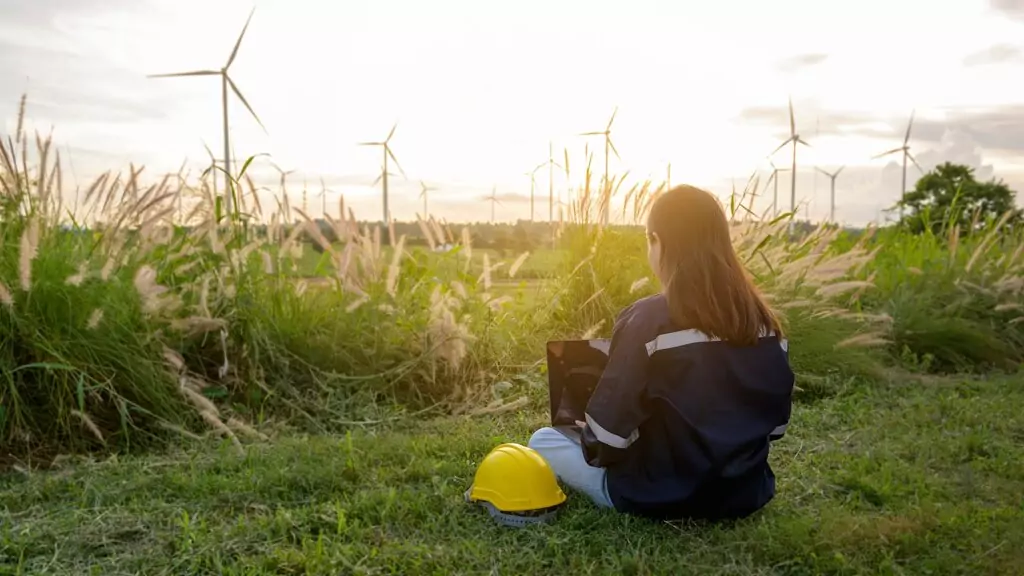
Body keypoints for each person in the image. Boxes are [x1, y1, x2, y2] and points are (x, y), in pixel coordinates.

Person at [528, 184, 795, 521]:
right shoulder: (765, 322)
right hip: (743, 494)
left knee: (544, 440)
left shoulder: (647, 319)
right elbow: (775, 428)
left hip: (656, 494)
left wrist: (589, 433)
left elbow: (607, 441)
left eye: (648, 240)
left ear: (658, 241)